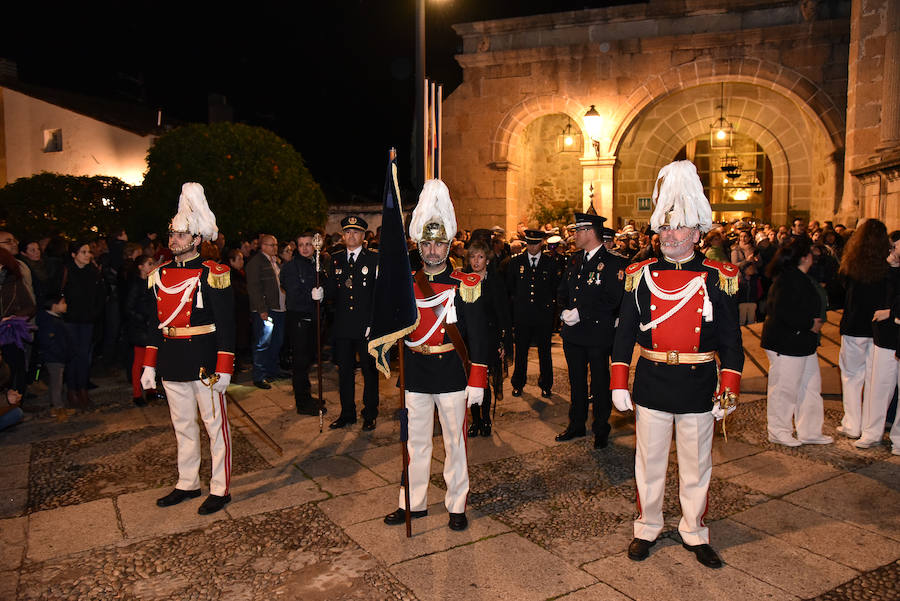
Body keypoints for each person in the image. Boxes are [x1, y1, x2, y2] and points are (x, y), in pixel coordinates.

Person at [610, 160, 743, 569]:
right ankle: (647, 526)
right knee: (648, 463)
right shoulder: (640, 274)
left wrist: (729, 388)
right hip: (651, 380)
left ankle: (693, 529)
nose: (669, 235)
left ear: (697, 233)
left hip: (698, 382)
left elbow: (732, 343)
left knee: (696, 464)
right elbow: (624, 335)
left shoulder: (717, 278)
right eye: (664, 228)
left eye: (678, 227)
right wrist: (618, 381)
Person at [383, 179, 489, 531]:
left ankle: (456, 504)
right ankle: (411, 502)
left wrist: (477, 378)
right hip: (415, 370)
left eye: (438, 244)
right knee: (414, 442)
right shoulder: (406, 283)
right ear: (419, 244)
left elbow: (478, 335)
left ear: (448, 245)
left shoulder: (465, 283)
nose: (432, 251)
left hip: (451, 374)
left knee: (455, 442)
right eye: (426, 244)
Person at [140, 183, 235, 515]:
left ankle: (220, 488)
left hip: (204, 362)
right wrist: (149, 366)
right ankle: (187, 483)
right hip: (172, 361)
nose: (173, 241)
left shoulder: (214, 273)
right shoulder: (160, 275)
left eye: (180, 235)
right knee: (182, 426)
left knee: (214, 427)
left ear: (197, 240)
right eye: (172, 235)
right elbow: (155, 325)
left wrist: (224, 368)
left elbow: (226, 326)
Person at [556, 213, 627, 449]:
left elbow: (612, 298)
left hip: (597, 334)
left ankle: (601, 428)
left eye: (577, 231)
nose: (574, 236)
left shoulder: (613, 262)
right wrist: (564, 310)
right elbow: (564, 289)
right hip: (573, 333)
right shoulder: (574, 260)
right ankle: (576, 424)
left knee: (599, 382)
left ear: (589, 232)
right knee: (576, 382)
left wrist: (581, 312)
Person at [761, 236, 833, 446]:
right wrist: (809, 324)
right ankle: (778, 430)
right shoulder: (787, 279)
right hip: (786, 343)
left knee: (810, 387)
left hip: (803, 343)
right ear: (805, 257)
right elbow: (781, 311)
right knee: (784, 388)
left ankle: (809, 431)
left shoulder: (798, 277)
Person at [836, 220, 891, 439]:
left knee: (851, 377)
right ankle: (870, 427)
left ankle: (852, 424)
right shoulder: (887, 267)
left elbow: (841, 291)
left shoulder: (851, 263)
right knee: (873, 380)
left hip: (853, 326)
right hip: (877, 329)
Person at [325, 216, 379, 431]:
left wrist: (373, 322)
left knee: (369, 371)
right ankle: (347, 413)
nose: (351, 236)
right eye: (348, 232)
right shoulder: (335, 259)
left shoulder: (373, 259)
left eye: (356, 232)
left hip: (365, 326)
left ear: (363, 237)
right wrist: (320, 293)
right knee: (344, 371)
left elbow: (378, 294)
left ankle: (370, 413)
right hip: (343, 325)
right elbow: (331, 290)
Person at [857, 230, 900, 449]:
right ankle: (871, 433)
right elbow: (875, 293)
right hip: (885, 338)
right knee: (879, 387)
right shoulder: (885, 271)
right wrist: (890, 265)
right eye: (893, 247)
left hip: (894, 332)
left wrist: (891, 312)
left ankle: (899, 439)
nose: (894, 250)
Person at [465, 240, 511, 436]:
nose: (476, 261)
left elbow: (503, 314)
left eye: (480, 257)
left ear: (487, 260)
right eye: (473, 256)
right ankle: (474, 420)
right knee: (471, 380)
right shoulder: (463, 280)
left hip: (489, 338)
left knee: (485, 379)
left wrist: (502, 341)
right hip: (468, 339)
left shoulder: (495, 282)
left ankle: (485, 419)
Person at [505, 229, 558, 399]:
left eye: (535, 243)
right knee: (521, 351)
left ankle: (546, 384)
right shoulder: (516, 262)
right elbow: (511, 288)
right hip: (522, 315)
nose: (532, 247)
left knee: (544, 352)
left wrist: (551, 312)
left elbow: (554, 289)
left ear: (541, 243)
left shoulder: (550, 262)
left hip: (543, 315)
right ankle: (518, 383)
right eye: (529, 243)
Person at [281, 231, 326, 415]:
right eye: (301, 245)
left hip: (313, 318)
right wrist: (311, 296)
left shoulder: (315, 263)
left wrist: (323, 293)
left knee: (308, 360)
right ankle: (302, 402)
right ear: (297, 247)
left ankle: (307, 395)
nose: (305, 248)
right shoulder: (292, 267)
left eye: (308, 244)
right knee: (300, 362)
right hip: (299, 319)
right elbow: (293, 294)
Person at [61, 241, 104, 407]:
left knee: (84, 356)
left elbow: (101, 295)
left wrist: (94, 313)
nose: (88, 255)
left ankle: (83, 389)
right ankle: (72, 390)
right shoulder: (66, 271)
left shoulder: (93, 272)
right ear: (74, 255)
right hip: (70, 320)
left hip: (88, 321)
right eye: (83, 252)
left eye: (88, 252)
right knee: (72, 355)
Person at [245, 234, 287, 389]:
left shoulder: (275, 261)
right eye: (271, 245)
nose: (275, 248)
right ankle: (259, 375)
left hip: (279, 308)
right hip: (266, 310)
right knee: (262, 343)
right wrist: (261, 310)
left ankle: (272, 370)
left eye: (275, 245)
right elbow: (254, 288)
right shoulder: (256, 263)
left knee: (277, 341)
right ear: (263, 246)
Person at [124, 255, 158, 406]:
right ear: (140, 267)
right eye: (149, 263)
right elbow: (128, 308)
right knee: (138, 362)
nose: (152, 266)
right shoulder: (135, 284)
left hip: (150, 327)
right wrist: (143, 319)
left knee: (151, 360)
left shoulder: (151, 283)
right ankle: (137, 394)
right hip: (139, 328)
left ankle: (150, 389)